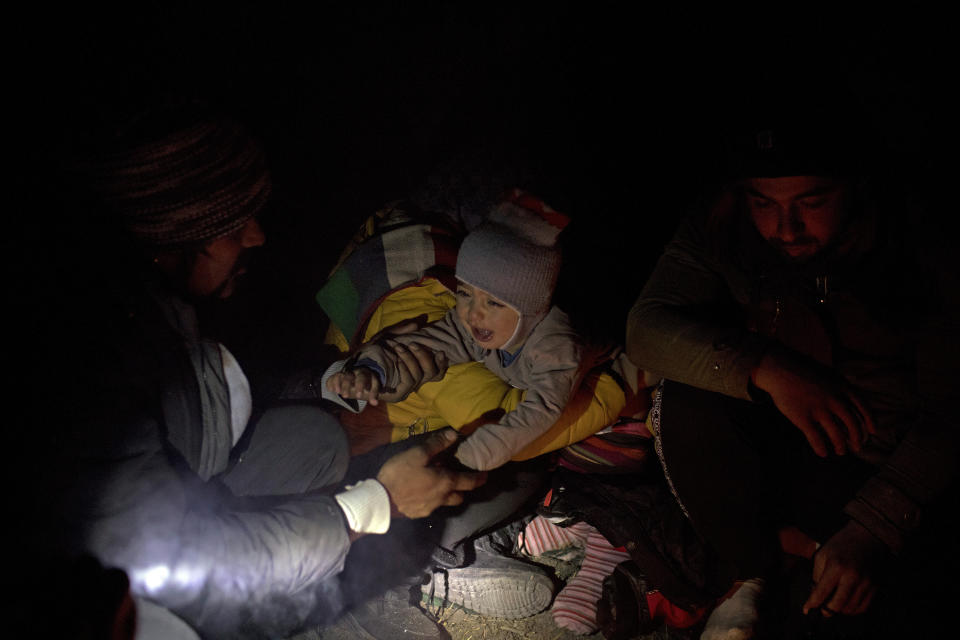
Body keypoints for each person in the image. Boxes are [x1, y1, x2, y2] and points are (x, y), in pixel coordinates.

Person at [32, 105, 486, 639]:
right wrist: (371, 507)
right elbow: (177, 565)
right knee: (212, 594)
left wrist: (337, 378)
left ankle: (321, 581)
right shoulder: (90, 362)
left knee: (316, 437)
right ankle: (308, 618)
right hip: (131, 590)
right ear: (180, 230)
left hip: (168, 504)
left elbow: (209, 397)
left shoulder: (150, 301)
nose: (256, 237)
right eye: (232, 224)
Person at [625, 115, 958, 637]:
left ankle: (797, 561)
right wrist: (767, 367)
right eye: (764, 203)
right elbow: (647, 327)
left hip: (880, 464)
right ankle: (754, 570)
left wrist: (876, 524)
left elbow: (949, 410)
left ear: (853, 190)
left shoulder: (915, 242)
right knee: (684, 397)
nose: (786, 228)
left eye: (812, 202)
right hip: (781, 443)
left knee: (836, 611)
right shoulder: (725, 228)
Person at [327, 190, 606, 471]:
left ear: (531, 306)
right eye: (464, 293)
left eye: (493, 302)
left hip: (610, 372)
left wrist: (491, 444)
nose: (473, 313)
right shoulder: (476, 326)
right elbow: (424, 345)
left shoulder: (557, 346)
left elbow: (543, 408)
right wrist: (372, 370)